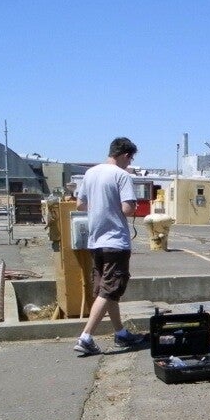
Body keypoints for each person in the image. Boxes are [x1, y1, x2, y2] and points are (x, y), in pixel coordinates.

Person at [73, 137, 148, 356]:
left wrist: (100, 205)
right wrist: (121, 204)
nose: (129, 162)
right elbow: (127, 209)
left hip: (95, 241)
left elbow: (80, 204)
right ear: (125, 155)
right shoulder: (122, 175)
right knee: (110, 289)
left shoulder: (90, 173)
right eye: (130, 158)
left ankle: (121, 333)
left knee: (108, 290)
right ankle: (86, 336)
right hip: (115, 241)